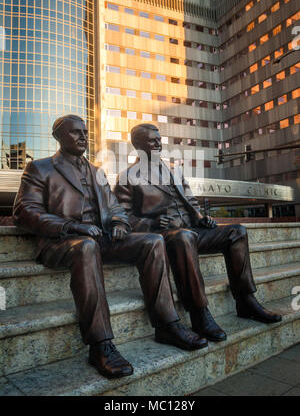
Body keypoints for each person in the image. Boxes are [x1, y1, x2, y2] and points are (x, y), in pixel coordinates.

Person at [13, 115, 207, 380]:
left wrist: (119, 223)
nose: (83, 136)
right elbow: (25, 211)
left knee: (153, 241)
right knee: (86, 246)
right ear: (59, 137)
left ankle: (167, 324)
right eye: (75, 132)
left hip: (102, 238)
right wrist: (71, 227)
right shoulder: (40, 168)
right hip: (63, 241)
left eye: (84, 132)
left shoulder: (97, 171)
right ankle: (100, 344)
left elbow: (116, 209)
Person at [114, 123, 282, 342]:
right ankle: (199, 314)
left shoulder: (173, 170)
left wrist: (202, 218)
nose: (158, 143)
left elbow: (191, 201)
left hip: (192, 230)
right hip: (165, 236)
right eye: (152, 140)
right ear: (137, 145)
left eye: (159, 139)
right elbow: (122, 217)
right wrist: (151, 222)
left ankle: (246, 300)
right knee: (184, 236)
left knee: (237, 232)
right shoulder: (128, 176)